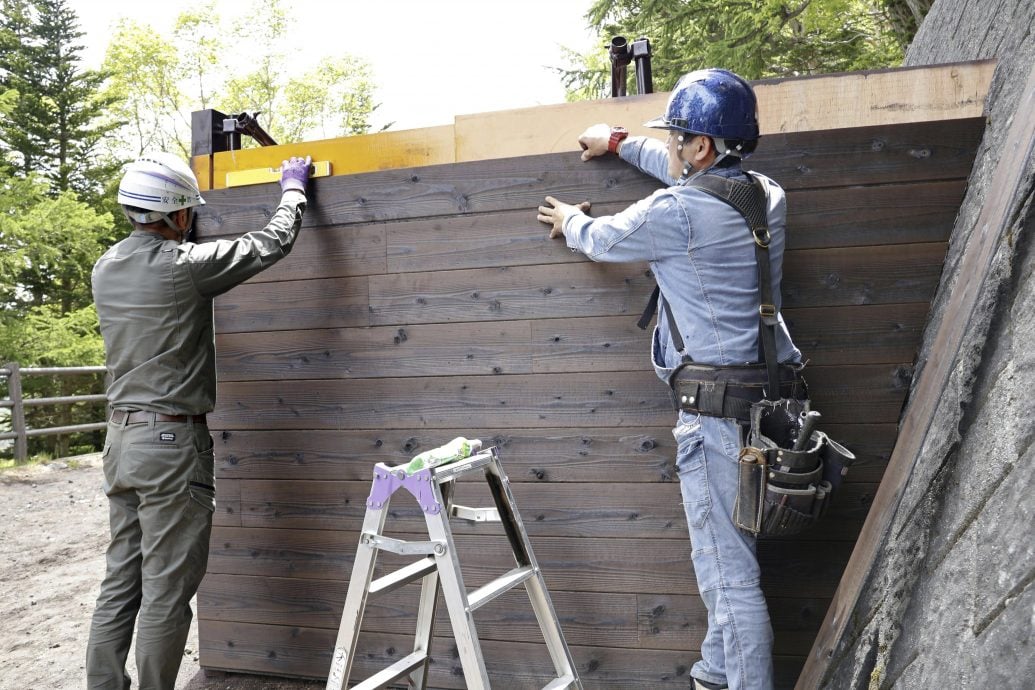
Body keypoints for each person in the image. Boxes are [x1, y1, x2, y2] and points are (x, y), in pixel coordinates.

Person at [537, 69, 804, 690]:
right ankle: (715, 676)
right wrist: (622, 141)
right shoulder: (767, 194)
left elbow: (604, 239)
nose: (675, 147)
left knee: (727, 575)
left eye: (680, 137)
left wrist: (569, 221)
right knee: (732, 558)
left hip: (714, 415)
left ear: (702, 147)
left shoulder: (675, 212)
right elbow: (694, 182)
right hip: (771, 406)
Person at [87, 152, 312, 689]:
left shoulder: (106, 266)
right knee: (165, 589)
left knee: (122, 580)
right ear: (180, 216)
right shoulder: (184, 266)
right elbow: (271, 243)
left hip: (121, 441)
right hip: (170, 443)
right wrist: (293, 190)